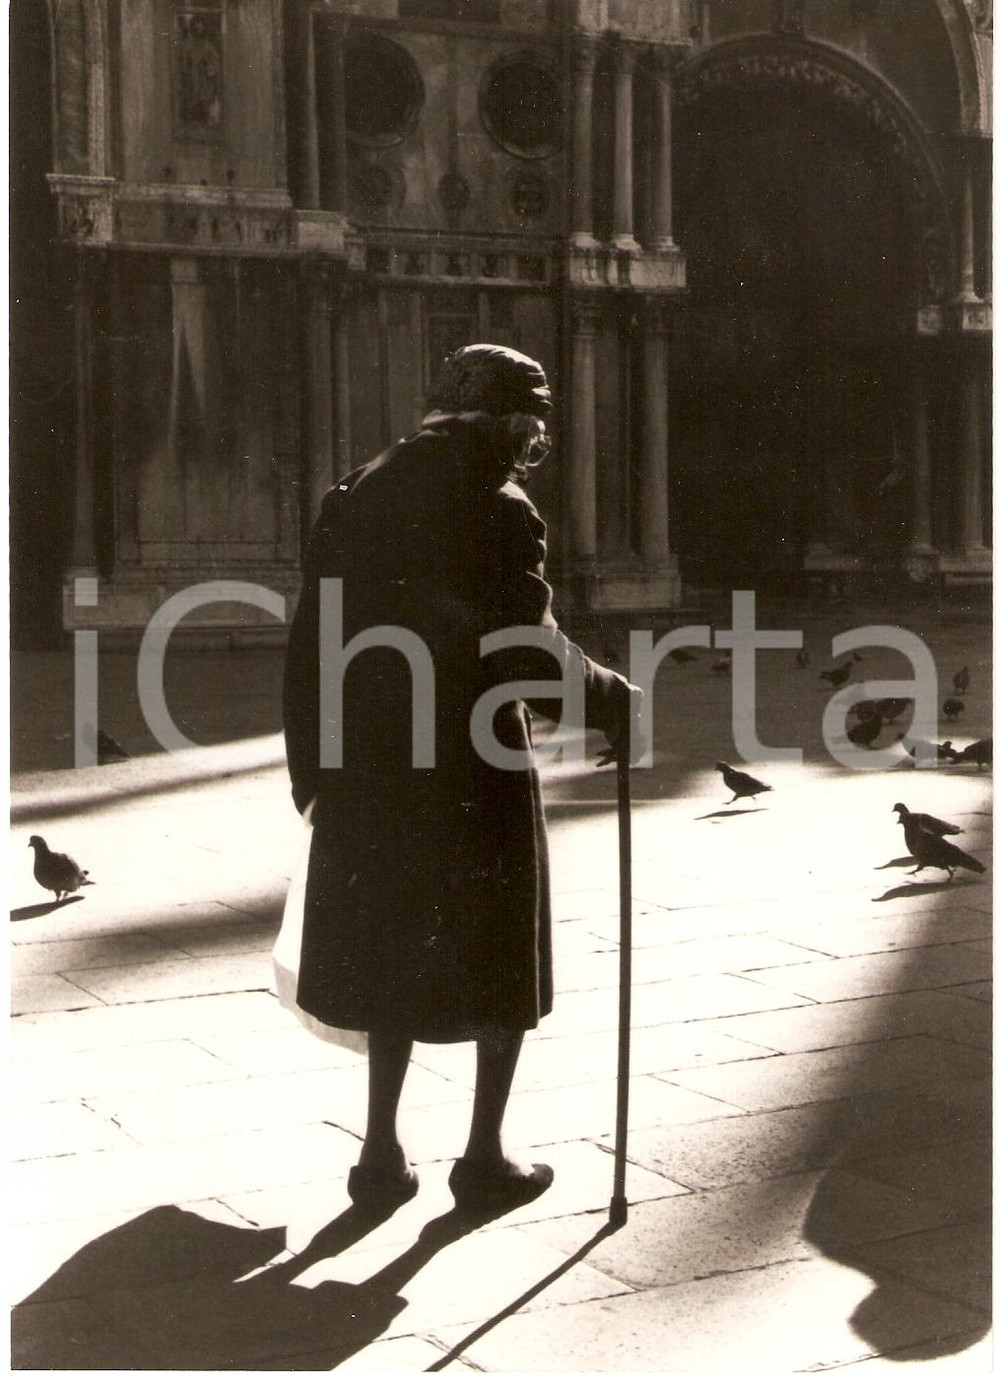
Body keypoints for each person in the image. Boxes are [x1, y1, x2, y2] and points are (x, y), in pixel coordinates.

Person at [283, 343, 639, 1217]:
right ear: (505, 424)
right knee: (500, 953)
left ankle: (378, 1155)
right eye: (532, 431)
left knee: (386, 949)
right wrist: (610, 697)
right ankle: (483, 1157)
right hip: (473, 767)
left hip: (368, 766)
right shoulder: (499, 506)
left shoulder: (354, 489)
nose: (531, 451)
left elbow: (310, 643)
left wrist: (315, 772)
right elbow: (524, 649)